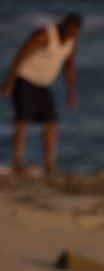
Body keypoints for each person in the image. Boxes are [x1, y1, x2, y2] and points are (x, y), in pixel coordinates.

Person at [3, 13, 82, 176]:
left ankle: (51, 167)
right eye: (69, 31)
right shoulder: (44, 35)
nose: (70, 35)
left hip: (43, 85)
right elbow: (20, 57)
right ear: (63, 24)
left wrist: (72, 93)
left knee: (52, 122)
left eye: (74, 33)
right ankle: (19, 165)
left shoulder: (71, 41)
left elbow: (70, 67)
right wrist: (9, 82)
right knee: (23, 121)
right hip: (24, 79)